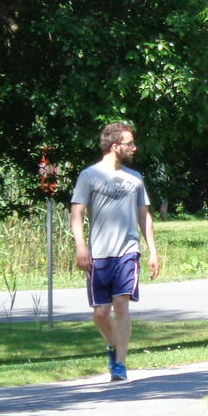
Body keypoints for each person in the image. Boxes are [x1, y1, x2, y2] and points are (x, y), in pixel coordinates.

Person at [70, 122, 160, 382]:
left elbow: (145, 217)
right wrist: (81, 247)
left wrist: (152, 251)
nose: (134, 147)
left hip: (127, 251)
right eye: (129, 143)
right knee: (100, 314)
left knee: (121, 305)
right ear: (115, 145)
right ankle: (114, 346)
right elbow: (76, 214)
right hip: (98, 254)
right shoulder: (89, 176)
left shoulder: (135, 178)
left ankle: (119, 364)